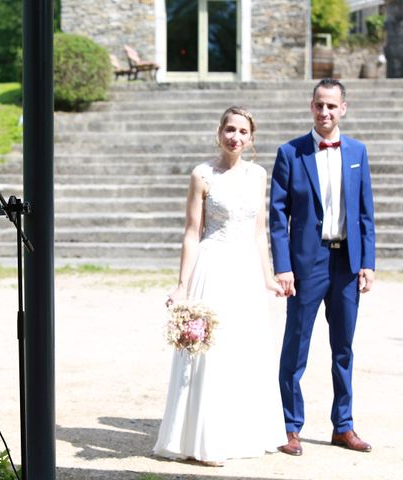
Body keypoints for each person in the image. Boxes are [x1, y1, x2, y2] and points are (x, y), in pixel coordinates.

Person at [153, 106, 286, 466]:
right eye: (230, 129)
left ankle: (241, 434)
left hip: (245, 271)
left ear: (251, 137)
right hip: (211, 266)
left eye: (243, 132)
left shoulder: (259, 175)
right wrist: (182, 285)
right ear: (219, 132)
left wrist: (268, 277)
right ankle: (203, 440)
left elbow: (260, 232)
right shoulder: (202, 174)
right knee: (209, 351)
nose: (235, 137)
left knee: (244, 349)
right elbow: (192, 232)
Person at [269, 78, 375, 456]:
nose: (325, 112)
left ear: (343, 108)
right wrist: (282, 266)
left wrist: (368, 262)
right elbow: (277, 216)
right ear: (311, 107)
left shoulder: (358, 152)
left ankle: (342, 426)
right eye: (319, 105)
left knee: (343, 347)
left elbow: (365, 214)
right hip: (305, 265)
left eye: (332, 106)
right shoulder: (290, 153)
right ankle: (289, 426)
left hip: (346, 262)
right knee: (295, 345)